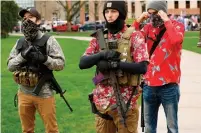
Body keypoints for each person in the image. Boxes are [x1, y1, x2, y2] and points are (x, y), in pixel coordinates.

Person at [79, 1, 149, 133]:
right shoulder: (99, 37)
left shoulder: (135, 36)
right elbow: (83, 63)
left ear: (121, 13)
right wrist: (101, 55)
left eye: (114, 11)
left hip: (126, 104)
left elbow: (142, 67)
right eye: (107, 12)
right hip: (103, 104)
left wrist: (115, 65)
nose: (109, 15)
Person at [7, 8, 65, 133]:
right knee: (27, 130)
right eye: (24, 18)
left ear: (38, 21)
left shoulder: (49, 40)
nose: (26, 21)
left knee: (52, 130)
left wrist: (44, 59)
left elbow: (60, 64)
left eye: (30, 17)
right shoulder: (20, 42)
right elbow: (10, 66)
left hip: (44, 93)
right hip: (23, 93)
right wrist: (22, 57)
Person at [132, 1, 185, 133]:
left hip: (169, 86)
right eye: (149, 14)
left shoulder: (177, 26)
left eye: (155, 13)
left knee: (172, 128)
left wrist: (167, 21)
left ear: (163, 12)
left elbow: (176, 40)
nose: (152, 17)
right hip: (149, 85)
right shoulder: (148, 28)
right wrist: (138, 21)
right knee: (149, 128)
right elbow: (131, 38)